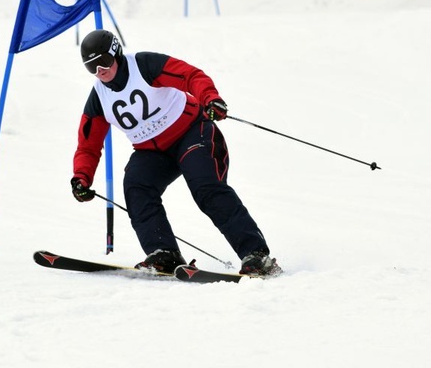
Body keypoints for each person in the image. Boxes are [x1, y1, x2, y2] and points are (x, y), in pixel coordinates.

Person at [70, 29, 281, 276]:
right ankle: (163, 253)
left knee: (205, 186)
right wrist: (81, 178)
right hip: (152, 151)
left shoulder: (144, 65)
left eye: (103, 62)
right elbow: (88, 145)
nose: (100, 71)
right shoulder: (99, 98)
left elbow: (190, 76)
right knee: (136, 185)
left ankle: (256, 255)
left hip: (192, 132)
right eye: (91, 67)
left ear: (116, 53)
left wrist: (210, 99)